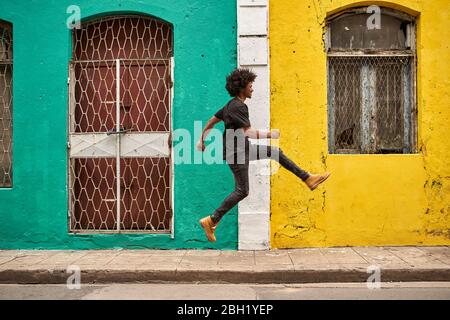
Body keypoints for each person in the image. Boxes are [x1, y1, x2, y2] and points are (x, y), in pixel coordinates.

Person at [196, 68, 331, 242]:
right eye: (250, 85)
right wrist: (270, 134)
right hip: (236, 152)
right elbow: (248, 132)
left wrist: (202, 139)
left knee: (274, 152)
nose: (252, 88)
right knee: (242, 190)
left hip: (241, 148)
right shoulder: (238, 106)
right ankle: (212, 219)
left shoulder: (230, 105)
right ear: (242, 86)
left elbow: (212, 120)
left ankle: (308, 178)